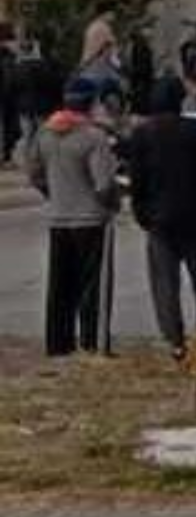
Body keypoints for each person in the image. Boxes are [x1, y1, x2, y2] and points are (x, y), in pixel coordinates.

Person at [122, 76, 196, 361]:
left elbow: (137, 181)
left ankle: (175, 341)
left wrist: (143, 215)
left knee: (165, 285)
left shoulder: (142, 135)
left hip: (160, 221)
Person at [25, 78, 120, 357]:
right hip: (90, 219)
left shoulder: (45, 134)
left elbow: (34, 173)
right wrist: (113, 203)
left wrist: (52, 193)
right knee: (94, 287)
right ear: (91, 103)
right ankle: (93, 342)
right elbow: (103, 184)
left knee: (60, 286)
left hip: (59, 218)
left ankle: (58, 343)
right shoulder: (93, 137)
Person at [0, 25, 20, 168]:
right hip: (8, 97)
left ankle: (6, 157)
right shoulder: (10, 56)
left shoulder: (10, 55)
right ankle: (6, 157)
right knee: (8, 127)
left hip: (7, 97)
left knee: (8, 127)